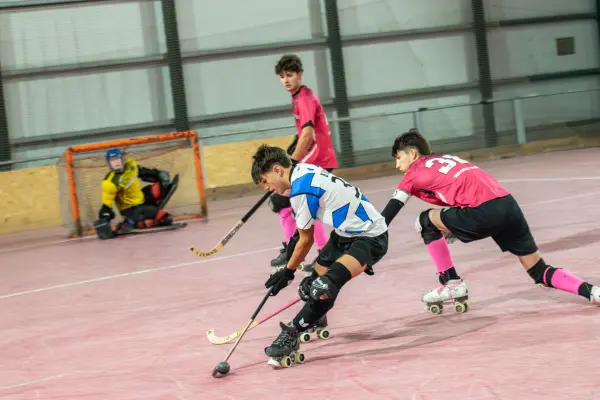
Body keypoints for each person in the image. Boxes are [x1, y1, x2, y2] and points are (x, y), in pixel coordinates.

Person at [379, 129, 600, 314]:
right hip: (508, 205)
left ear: (413, 153)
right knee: (538, 270)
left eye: (398, 157)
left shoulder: (414, 172)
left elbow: (390, 211)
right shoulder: (447, 159)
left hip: (482, 212)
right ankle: (592, 292)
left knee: (424, 221)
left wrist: (370, 239)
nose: (397, 164)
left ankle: (451, 283)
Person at [251, 144, 388, 367]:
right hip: (343, 235)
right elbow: (301, 233)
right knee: (310, 286)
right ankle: (315, 317)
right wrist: (289, 266)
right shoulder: (303, 170)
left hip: (370, 238)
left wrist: (288, 272)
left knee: (323, 288)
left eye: (265, 181)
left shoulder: (301, 190)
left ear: (277, 170)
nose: (266, 188)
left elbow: (307, 240)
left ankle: (291, 334)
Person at [268, 54, 339, 274]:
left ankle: (294, 251)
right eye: (282, 76)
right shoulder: (299, 97)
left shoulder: (305, 99)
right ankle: (322, 252)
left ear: (300, 75)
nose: (286, 80)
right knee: (306, 206)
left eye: (290, 75)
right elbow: (301, 136)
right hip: (317, 157)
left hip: (318, 158)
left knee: (281, 200)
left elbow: (308, 135)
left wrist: (292, 164)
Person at [95, 148, 176, 239]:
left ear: (122, 159)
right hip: (131, 209)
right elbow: (106, 206)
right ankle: (132, 222)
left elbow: (143, 172)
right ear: (109, 164)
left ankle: (147, 213)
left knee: (163, 185)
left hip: (141, 198)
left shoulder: (130, 165)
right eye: (112, 161)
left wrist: (158, 174)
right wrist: (104, 220)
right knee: (166, 218)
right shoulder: (110, 183)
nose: (116, 163)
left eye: (117, 159)